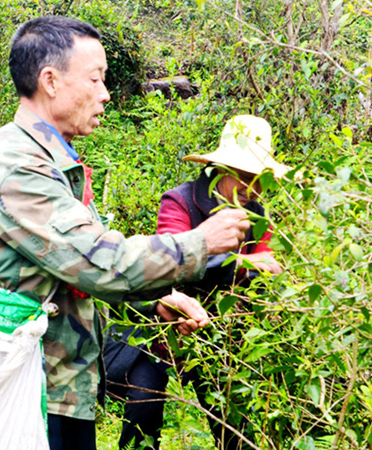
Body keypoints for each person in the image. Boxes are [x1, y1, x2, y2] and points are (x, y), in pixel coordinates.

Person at [0, 16, 252, 450]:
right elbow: (97, 262)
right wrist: (201, 243)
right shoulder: (18, 166)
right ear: (50, 81)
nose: (105, 93)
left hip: (58, 383)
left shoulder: (49, 162)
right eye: (95, 78)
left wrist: (157, 299)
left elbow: (71, 269)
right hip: (27, 389)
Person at [104, 115, 288, 450]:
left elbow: (270, 268)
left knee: (233, 422)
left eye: (259, 180)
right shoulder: (181, 201)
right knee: (144, 407)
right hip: (163, 327)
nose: (252, 189)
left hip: (219, 334)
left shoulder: (258, 215)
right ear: (222, 169)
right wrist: (241, 264)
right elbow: (173, 261)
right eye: (245, 177)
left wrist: (230, 266)